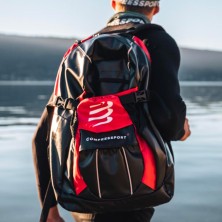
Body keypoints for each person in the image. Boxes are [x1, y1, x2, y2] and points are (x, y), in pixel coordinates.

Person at [32, 0, 191, 221]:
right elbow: (171, 122)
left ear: (114, 3)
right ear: (156, 8)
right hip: (135, 190)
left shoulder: (81, 51)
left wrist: (49, 211)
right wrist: (182, 130)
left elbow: (43, 136)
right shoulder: (159, 42)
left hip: (83, 192)